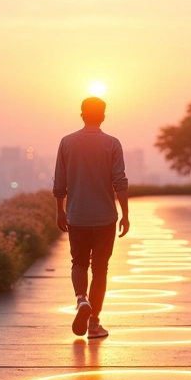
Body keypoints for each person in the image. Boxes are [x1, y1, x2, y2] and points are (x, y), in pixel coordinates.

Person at [52, 97, 130, 339]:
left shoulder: (67, 142)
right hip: (105, 217)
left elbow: (59, 182)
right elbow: (120, 182)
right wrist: (125, 215)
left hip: (77, 215)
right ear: (103, 116)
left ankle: (80, 299)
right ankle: (94, 323)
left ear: (82, 114)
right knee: (100, 270)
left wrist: (60, 210)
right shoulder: (112, 144)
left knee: (78, 263)